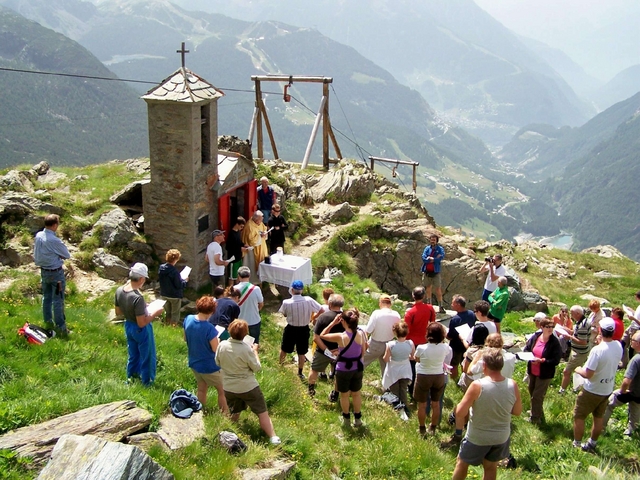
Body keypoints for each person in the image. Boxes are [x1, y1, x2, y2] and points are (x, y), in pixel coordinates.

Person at [447, 349, 522, 480]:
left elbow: (460, 412)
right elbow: (517, 411)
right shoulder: (512, 384)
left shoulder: (478, 385)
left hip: (478, 436)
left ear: (484, 366)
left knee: (462, 462)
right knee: (491, 467)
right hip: (501, 437)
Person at [215, 320, 280, 445]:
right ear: (245, 334)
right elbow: (257, 367)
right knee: (262, 412)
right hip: (248, 386)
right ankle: (273, 437)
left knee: (234, 411)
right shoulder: (246, 349)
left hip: (229, 386)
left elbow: (217, 362)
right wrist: (255, 351)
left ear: (229, 330)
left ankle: (229, 432)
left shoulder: (222, 345)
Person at [572, 317, 622, 453]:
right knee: (598, 417)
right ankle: (592, 443)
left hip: (592, 389)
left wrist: (577, 369)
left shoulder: (597, 350)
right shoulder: (618, 346)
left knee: (579, 415)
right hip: (607, 389)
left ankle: (577, 444)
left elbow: (588, 374)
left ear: (600, 330)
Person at [115, 263, 164, 386]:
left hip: (128, 325)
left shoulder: (119, 290)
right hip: (140, 330)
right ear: (141, 279)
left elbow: (118, 312)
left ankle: (131, 378)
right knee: (147, 356)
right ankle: (147, 382)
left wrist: (139, 309)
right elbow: (142, 323)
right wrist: (155, 313)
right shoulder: (137, 297)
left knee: (133, 355)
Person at [320, 308, 368, 427]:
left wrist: (333, 323)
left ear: (344, 322)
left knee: (344, 395)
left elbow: (322, 335)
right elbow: (363, 352)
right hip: (357, 368)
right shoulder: (361, 334)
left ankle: (346, 418)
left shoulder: (341, 337)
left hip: (343, 369)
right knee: (356, 394)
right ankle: (358, 419)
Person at [183, 296, 228, 413]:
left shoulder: (188, 319)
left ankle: (200, 411)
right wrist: (219, 341)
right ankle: (225, 416)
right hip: (210, 366)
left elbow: (185, 338)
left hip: (194, 362)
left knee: (202, 388)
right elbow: (215, 350)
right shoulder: (210, 329)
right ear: (212, 311)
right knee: (222, 391)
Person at [33, 214, 71, 336]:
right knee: (58, 300)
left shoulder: (39, 235)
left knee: (47, 297)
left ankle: (48, 320)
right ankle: (61, 326)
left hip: (44, 271)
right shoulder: (54, 240)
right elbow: (66, 254)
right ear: (55, 225)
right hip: (56, 273)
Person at [278, 280, 323, 379]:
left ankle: (280, 365)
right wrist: (313, 317)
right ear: (301, 290)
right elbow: (321, 309)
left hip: (291, 328)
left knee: (284, 348)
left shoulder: (286, 302)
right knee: (302, 352)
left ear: (292, 290)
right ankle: (300, 372)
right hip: (304, 328)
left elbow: (284, 313)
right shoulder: (308, 300)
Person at [414, 322, 451, 436]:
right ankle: (433, 427)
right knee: (436, 404)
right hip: (438, 375)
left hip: (424, 375)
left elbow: (416, 359)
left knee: (422, 405)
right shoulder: (445, 347)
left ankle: (422, 428)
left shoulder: (421, 347)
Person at [523, 318, 562, 424]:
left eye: (552, 327)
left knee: (537, 395)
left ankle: (535, 419)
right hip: (532, 370)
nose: (550, 329)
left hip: (545, 373)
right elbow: (527, 349)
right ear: (542, 327)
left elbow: (556, 360)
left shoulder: (554, 342)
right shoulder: (535, 337)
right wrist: (530, 358)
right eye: (547, 327)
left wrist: (543, 361)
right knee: (532, 392)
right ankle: (535, 410)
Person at [603, 331, 640, 438]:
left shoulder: (636, 360)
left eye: (632, 340)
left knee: (609, 404)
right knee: (635, 412)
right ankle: (631, 432)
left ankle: (601, 428)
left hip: (632, 392)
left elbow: (626, 381)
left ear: (638, 343)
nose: (631, 342)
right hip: (639, 395)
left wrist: (623, 391)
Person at [308, 293, 344, 398]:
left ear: (330, 304)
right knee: (339, 374)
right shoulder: (346, 318)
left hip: (323, 351)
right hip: (340, 352)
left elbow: (316, 338)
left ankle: (311, 390)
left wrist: (327, 351)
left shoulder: (323, 317)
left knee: (314, 370)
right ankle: (335, 394)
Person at [405, 286, 436, 395]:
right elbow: (433, 323)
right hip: (426, 341)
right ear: (423, 296)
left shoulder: (410, 312)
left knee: (412, 366)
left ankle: (412, 389)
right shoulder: (430, 308)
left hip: (412, 343)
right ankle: (426, 388)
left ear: (413, 296)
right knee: (424, 365)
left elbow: (406, 329)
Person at [559, 305, 596, 394]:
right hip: (576, 350)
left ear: (578, 314)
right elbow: (576, 333)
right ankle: (578, 386)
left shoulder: (583, 325)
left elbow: (583, 342)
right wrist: (565, 329)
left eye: (572, 313)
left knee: (566, 371)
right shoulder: (580, 321)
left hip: (579, 352)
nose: (571, 315)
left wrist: (569, 337)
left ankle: (562, 391)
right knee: (575, 369)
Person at [363, 294, 401, 377]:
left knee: (362, 362)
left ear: (380, 303)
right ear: (390, 304)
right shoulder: (397, 315)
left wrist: (365, 342)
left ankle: (353, 378)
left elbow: (368, 330)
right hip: (390, 344)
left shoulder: (376, 313)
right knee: (386, 367)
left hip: (375, 344)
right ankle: (386, 387)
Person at [382, 321, 414, 414]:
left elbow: (385, 358)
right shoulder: (410, 343)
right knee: (403, 389)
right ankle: (405, 407)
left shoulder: (390, 344)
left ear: (395, 332)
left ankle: (397, 407)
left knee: (394, 389)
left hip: (394, 369)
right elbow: (412, 357)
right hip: (405, 369)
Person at [447, 295, 476, 381]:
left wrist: (445, 334)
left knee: (454, 364)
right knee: (465, 362)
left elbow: (450, 336)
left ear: (458, 305)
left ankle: (454, 380)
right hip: (468, 344)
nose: (451, 304)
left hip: (456, 346)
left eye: (453, 303)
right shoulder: (471, 314)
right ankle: (465, 379)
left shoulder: (455, 320)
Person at [234, 266, 264, 346]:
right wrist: (256, 311)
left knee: (240, 343)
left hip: (240, 321)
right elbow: (261, 304)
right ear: (249, 276)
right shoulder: (256, 289)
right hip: (254, 320)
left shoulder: (234, 289)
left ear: (239, 276)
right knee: (254, 344)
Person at [158, 249, 187, 325]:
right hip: (174, 296)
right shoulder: (174, 271)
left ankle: (167, 325)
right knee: (175, 314)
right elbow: (179, 285)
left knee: (168, 312)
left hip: (164, 294)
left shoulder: (161, 268)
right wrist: (185, 281)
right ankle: (173, 328)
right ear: (176, 259)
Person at [241, 211, 268, 283]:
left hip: (261, 246)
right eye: (260, 220)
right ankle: (253, 281)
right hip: (252, 251)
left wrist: (264, 233)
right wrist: (260, 236)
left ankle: (262, 279)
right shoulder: (249, 226)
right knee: (252, 267)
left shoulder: (259, 222)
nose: (261, 222)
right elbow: (251, 241)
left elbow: (264, 228)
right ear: (256, 220)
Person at [421, 234, 445, 313]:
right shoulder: (427, 248)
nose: (432, 241)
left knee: (438, 289)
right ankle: (429, 305)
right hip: (427, 271)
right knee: (428, 288)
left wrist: (432, 259)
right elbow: (424, 258)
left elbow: (441, 257)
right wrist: (433, 259)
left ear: (436, 241)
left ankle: (440, 306)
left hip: (436, 272)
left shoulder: (440, 249)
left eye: (434, 240)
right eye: (431, 239)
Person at [226, 217, 248, 286]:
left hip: (239, 258)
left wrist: (244, 244)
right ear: (237, 224)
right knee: (232, 277)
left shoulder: (238, 232)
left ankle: (237, 289)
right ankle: (230, 291)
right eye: (241, 226)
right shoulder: (231, 234)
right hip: (233, 259)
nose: (242, 228)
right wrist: (240, 249)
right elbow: (229, 247)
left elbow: (239, 242)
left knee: (238, 275)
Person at [622, 291, 640, 368]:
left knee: (633, 348)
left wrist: (633, 318)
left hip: (636, 329)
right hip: (631, 326)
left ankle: (632, 365)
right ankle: (624, 363)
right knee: (622, 343)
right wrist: (632, 311)